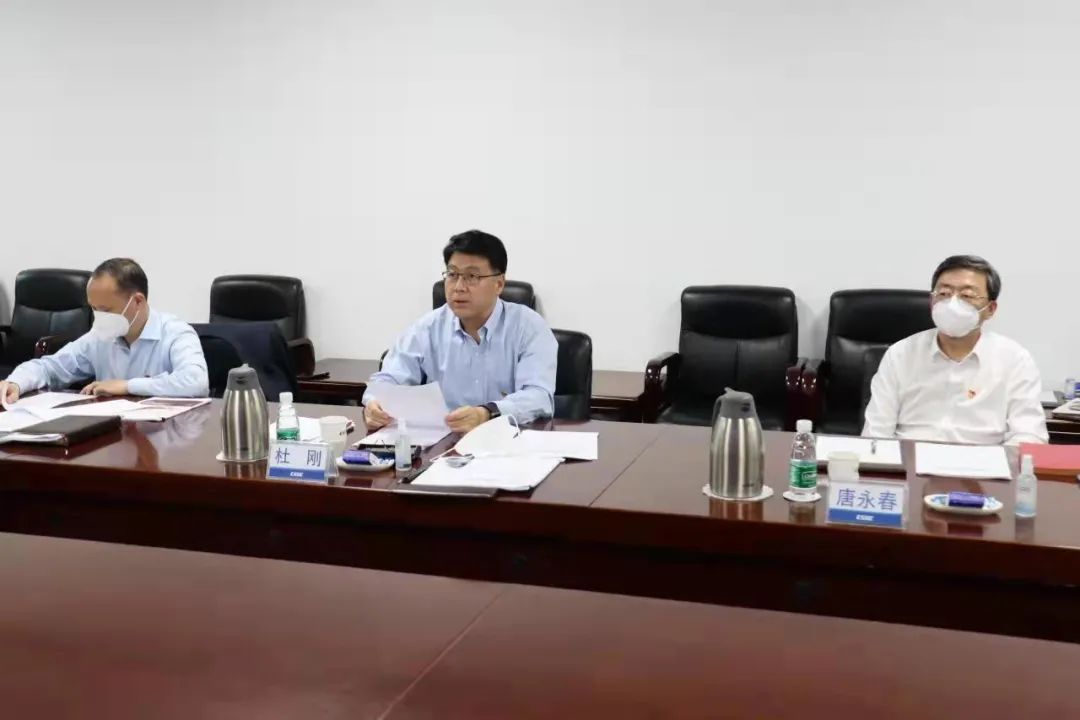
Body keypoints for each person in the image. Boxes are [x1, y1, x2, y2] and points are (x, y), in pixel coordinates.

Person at [363, 230, 557, 434]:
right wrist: (374, 403)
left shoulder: (528, 327)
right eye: (452, 275)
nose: (459, 287)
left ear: (499, 284)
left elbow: (539, 397)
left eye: (472, 276)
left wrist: (487, 413)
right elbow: (387, 380)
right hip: (442, 441)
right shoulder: (426, 328)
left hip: (508, 440)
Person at [862, 255, 1048, 445]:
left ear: (990, 309)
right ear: (931, 301)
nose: (952, 304)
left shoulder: (1014, 360)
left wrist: (995, 461)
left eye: (967, 295)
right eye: (944, 293)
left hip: (983, 461)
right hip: (910, 459)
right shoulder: (900, 354)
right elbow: (876, 432)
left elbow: (1030, 435)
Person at [0, 258, 209, 403]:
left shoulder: (175, 332)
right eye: (94, 309)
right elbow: (50, 367)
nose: (98, 317)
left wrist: (127, 386)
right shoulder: (100, 337)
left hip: (164, 438)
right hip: (112, 438)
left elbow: (196, 382)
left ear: (137, 301)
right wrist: (16, 383)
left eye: (105, 310)